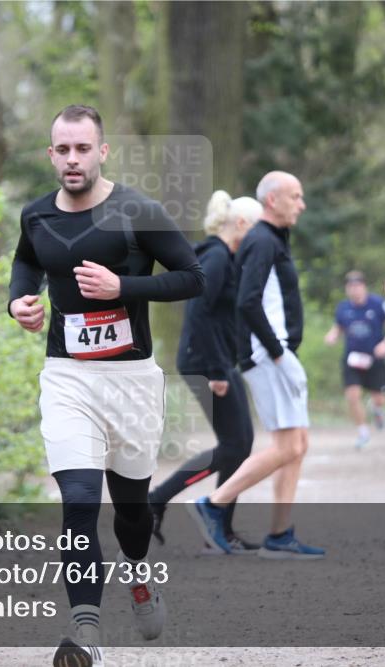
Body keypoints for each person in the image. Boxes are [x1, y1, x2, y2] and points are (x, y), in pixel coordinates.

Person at [8, 104, 205, 667]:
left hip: (131, 380)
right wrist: (18, 301)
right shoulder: (37, 216)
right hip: (67, 377)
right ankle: (86, 631)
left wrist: (124, 285)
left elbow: (194, 276)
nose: (72, 159)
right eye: (62, 150)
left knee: (132, 507)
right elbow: (27, 264)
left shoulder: (137, 210)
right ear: (51, 154)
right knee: (78, 502)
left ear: (102, 151)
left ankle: (138, 572)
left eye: (82, 149)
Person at [187, 171, 325, 560]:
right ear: (272, 201)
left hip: (276, 354)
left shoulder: (272, 240)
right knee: (289, 446)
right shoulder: (262, 240)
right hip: (267, 357)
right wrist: (279, 354)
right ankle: (213, 504)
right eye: (295, 196)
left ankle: (280, 535)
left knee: (297, 446)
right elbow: (247, 302)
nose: (301, 204)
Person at [147, 190, 263, 554]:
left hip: (217, 359)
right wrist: (215, 370)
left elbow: (223, 316)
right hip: (206, 362)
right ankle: (159, 501)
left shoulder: (225, 257)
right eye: (258, 231)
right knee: (234, 445)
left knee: (239, 445)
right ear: (241, 224)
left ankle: (219, 527)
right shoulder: (215, 257)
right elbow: (199, 313)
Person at [323, 270, 385, 448]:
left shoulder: (378, 304)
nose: (354, 290)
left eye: (357, 286)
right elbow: (338, 327)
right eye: (350, 287)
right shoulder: (343, 307)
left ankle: (377, 409)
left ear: (364, 287)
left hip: (375, 358)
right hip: (352, 359)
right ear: (346, 289)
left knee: (379, 398)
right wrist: (332, 335)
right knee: (352, 395)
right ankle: (363, 432)